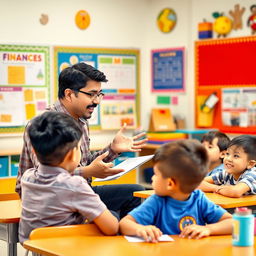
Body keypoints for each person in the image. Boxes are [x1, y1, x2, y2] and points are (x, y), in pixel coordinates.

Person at [16, 62, 147, 219]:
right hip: (48, 199)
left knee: (137, 192)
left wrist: (113, 149)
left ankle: (131, 239)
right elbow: (47, 175)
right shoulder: (43, 124)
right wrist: (88, 171)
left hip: (78, 191)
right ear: (69, 94)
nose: (97, 101)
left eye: (99, 94)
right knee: (111, 218)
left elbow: (83, 163)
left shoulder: (81, 120)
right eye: (91, 94)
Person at [19, 112, 119, 244]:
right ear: (72, 154)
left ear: (34, 152)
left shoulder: (27, 177)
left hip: (35, 246)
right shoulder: (74, 184)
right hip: (66, 247)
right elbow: (112, 228)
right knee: (114, 216)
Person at [119, 140, 232, 242]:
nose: (152, 178)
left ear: (170, 183)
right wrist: (140, 229)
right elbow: (124, 224)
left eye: (156, 174)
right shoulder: (157, 201)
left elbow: (233, 223)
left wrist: (208, 229)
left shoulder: (199, 199)